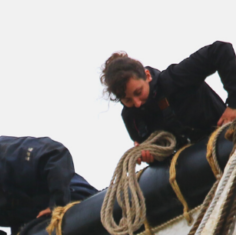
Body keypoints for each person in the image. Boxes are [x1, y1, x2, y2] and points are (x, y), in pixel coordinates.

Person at [100, 42, 236, 161]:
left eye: (138, 92)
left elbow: (221, 50)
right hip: (193, 169)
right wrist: (151, 158)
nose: (137, 103)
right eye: (127, 100)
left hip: (225, 137)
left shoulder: (175, 79)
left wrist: (233, 104)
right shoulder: (132, 118)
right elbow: (161, 154)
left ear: (147, 76)